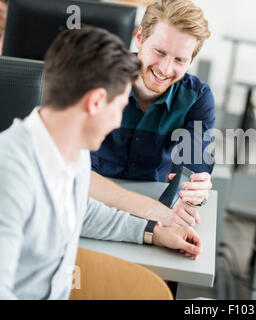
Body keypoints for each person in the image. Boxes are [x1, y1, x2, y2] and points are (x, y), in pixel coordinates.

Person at [0, 26, 202, 300]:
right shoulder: (10, 173)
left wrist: (154, 232)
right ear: (95, 103)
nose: (119, 122)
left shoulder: (74, 151)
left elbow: (81, 210)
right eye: (118, 109)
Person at [89, 0, 214, 227]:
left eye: (180, 60)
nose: (165, 69)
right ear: (139, 38)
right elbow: (78, 173)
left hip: (155, 213)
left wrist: (196, 189)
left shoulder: (198, 97)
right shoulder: (99, 79)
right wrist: (153, 211)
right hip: (94, 208)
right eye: (159, 51)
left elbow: (194, 165)